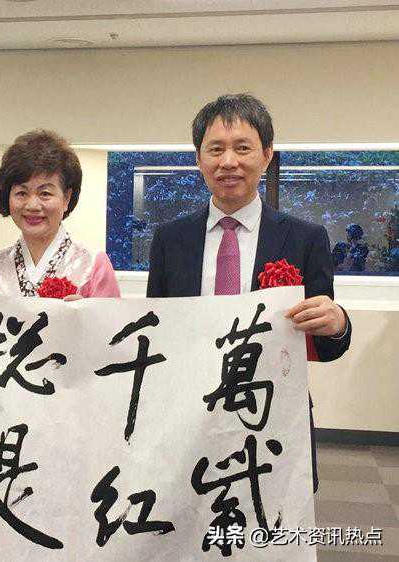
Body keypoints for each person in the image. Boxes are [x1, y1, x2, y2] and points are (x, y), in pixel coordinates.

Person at [146, 93, 351, 491]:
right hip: (188, 415)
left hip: (273, 414)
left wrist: (338, 323)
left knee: (269, 517)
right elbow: (160, 331)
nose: (228, 162)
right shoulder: (170, 239)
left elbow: (324, 346)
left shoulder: (305, 238)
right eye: (215, 149)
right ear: (198, 158)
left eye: (242, 148)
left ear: (267, 155)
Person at [0, 129, 120, 298]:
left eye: (45, 193)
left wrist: (86, 313)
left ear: (66, 198)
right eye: (21, 193)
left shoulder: (93, 266)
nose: (32, 205)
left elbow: (111, 316)